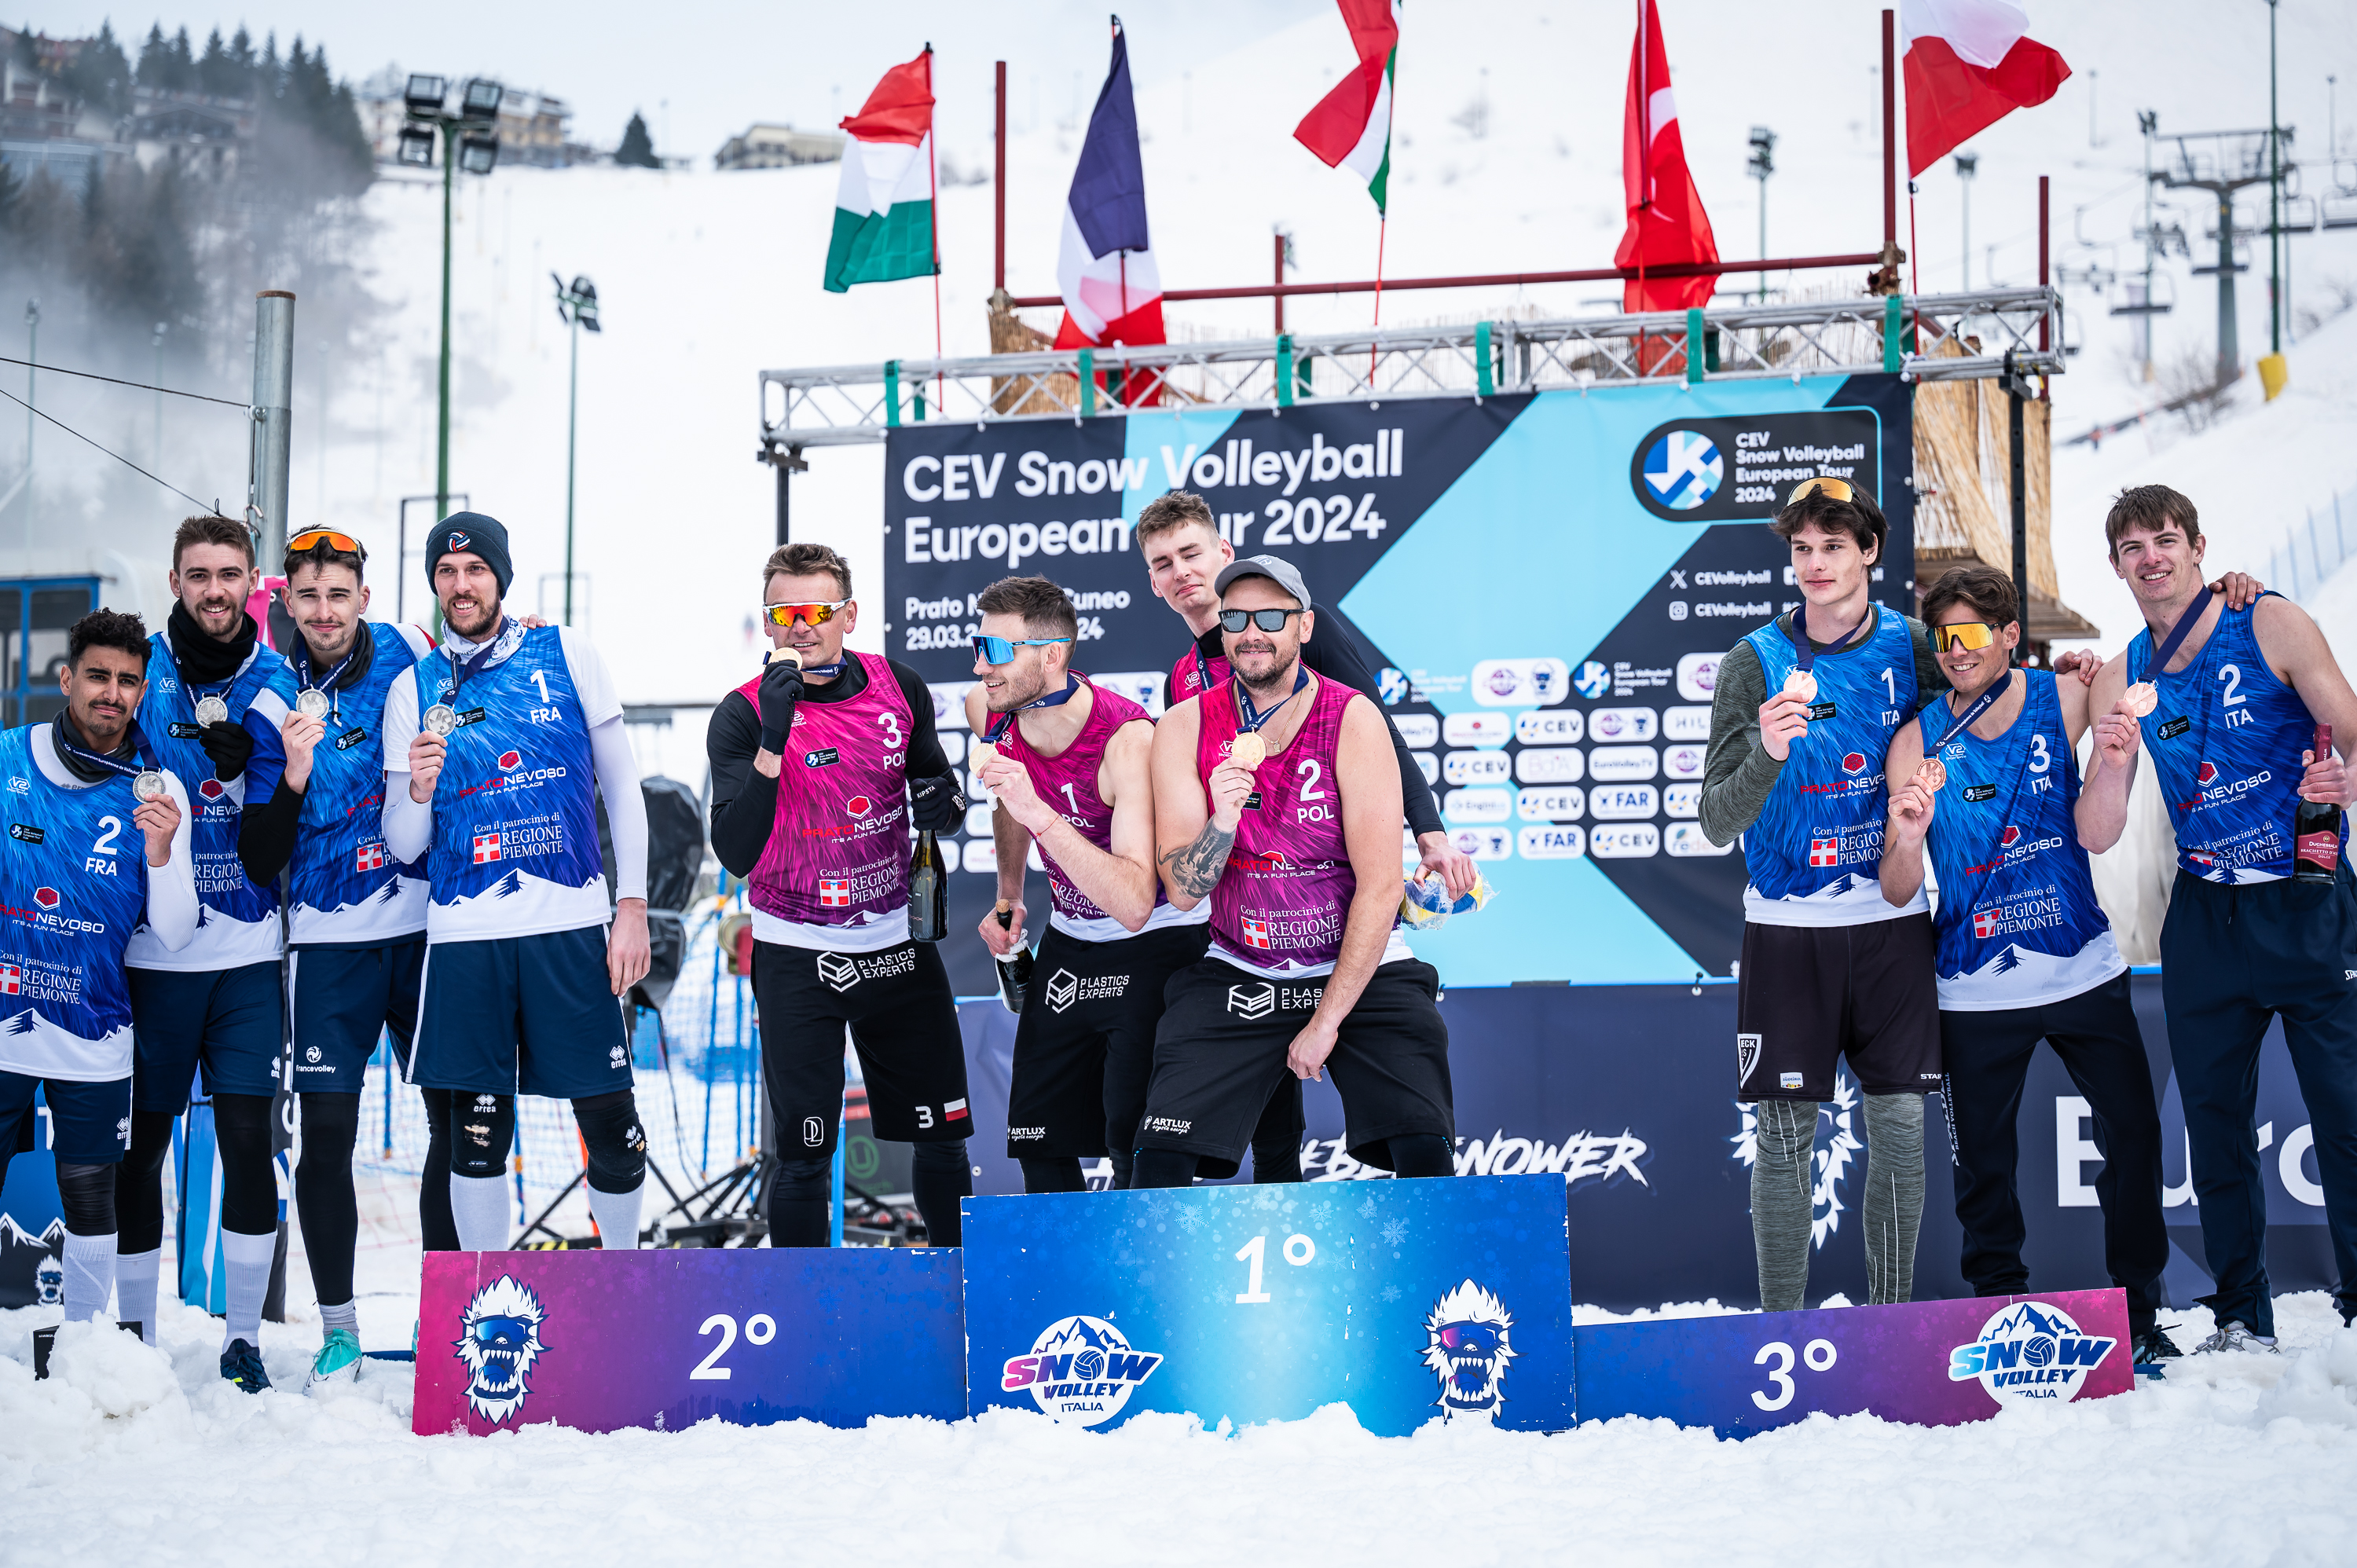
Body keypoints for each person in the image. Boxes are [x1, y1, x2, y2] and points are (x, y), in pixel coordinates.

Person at [2080, 485, 2357, 1350]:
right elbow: (2101, 826)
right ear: (2118, 564)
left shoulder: (2269, 621)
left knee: (2345, 1115)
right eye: (2133, 546)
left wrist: (2346, 784)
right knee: (2213, 1127)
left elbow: (2351, 731)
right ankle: (2243, 1313)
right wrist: (2110, 758)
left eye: (2166, 539)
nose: (2151, 557)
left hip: (2302, 891)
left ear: (2199, 547)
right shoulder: (2123, 677)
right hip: (2204, 910)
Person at [1879, 563, 2176, 1361]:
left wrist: (2232, 589)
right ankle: (2000, 1311)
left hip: (2082, 968)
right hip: (1974, 990)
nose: (1956, 652)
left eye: (1972, 635)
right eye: (1944, 639)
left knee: (2136, 1138)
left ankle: (2139, 1314)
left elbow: (2163, 642)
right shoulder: (1916, 739)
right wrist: (1909, 835)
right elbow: (1895, 882)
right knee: (1984, 1169)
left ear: (2011, 636)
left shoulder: (2064, 695)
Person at [1696, 478, 1947, 1311]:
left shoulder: (1915, 646)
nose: (1814, 563)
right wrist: (1766, 750)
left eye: (1833, 546)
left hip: (1891, 923)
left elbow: (1998, 708)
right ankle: (1783, 1331)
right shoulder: (1753, 661)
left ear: (1869, 550)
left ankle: (1890, 1327)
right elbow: (1714, 820)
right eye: (1801, 548)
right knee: (1782, 1142)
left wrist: (2084, 674)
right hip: (1786, 930)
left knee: (1902, 1137)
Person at [1132, 555, 1454, 1187]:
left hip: (1360, 963)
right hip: (1240, 965)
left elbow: (1383, 884)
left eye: (1273, 617)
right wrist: (1221, 821)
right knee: (1159, 1162)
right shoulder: (1181, 726)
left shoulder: (1352, 717)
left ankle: (1430, 1286)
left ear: (1305, 627)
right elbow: (1183, 887)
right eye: (1237, 618)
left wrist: (1323, 1023)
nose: (1253, 632)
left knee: (1424, 1148)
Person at [382, 513, 653, 1256]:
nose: (460, 585)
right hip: (467, 937)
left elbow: (622, 789)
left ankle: (621, 1279)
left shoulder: (565, 650)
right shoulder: (415, 686)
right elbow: (404, 845)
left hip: (568, 924)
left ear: (500, 575)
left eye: (474, 571)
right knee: (475, 1137)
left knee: (613, 1125)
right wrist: (417, 790)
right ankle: (483, 1292)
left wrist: (632, 908)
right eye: (446, 572)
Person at [705, 542, 972, 1245]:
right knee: (804, 1156)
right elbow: (735, 852)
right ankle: (804, 1322)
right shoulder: (739, 715)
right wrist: (774, 733)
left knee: (941, 1137)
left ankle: (962, 1295)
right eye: (783, 612)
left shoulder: (899, 686)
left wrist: (943, 804)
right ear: (767, 624)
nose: (801, 626)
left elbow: (940, 796)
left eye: (817, 610)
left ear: (848, 615)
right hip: (797, 951)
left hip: (894, 943)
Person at [235, 529, 444, 1389]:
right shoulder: (268, 695)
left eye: (339, 595)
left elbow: (481, 667)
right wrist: (290, 771)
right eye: (308, 596)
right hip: (326, 942)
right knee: (326, 1135)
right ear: (287, 600)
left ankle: (449, 1315)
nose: (323, 613)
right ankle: (341, 1329)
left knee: (460, 1124)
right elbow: (256, 856)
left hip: (423, 926)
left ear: (363, 596)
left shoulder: (410, 649)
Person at [119, 515, 295, 1390]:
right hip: (153, 956)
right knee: (140, 1147)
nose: (215, 589)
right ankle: (132, 1333)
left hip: (246, 957)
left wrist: (266, 769)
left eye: (230, 573)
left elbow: (272, 848)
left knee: (246, 1145)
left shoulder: (276, 682)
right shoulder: (140, 672)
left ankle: (243, 1340)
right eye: (199, 574)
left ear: (253, 579)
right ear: (176, 581)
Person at [964, 576, 1207, 1193]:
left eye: (996, 651)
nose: (979, 666)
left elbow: (1131, 902)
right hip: (1072, 937)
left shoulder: (1129, 741)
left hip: (1155, 938)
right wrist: (1011, 891)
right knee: (1036, 1137)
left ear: (1052, 655)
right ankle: (1070, 1285)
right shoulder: (988, 707)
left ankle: (1132, 1284)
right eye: (978, 646)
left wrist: (1039, 810)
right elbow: (1005, 793)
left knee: (1131, 1142)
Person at [0, 613, 194, 1337]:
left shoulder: (157, 786)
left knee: (89, 1200)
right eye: (98, 676)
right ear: (67, 679)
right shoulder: (8, 759)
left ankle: (81, 1348)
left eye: (127, 681)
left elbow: (174, 932)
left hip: (93, 1035)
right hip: (5, 1028)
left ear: (142, 691)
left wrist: (163, 851)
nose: (111, 693)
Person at [1137, 489, 1475, 899]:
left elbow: (1383, 737)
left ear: (1224, 552)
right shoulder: (1183, 679)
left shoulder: (1298, 630)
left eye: (1191, 554)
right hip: (1246, 896)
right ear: (1154, 584)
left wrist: (1430, 835)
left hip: (1328, 881)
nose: (1181, 572)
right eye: (1163, 564)